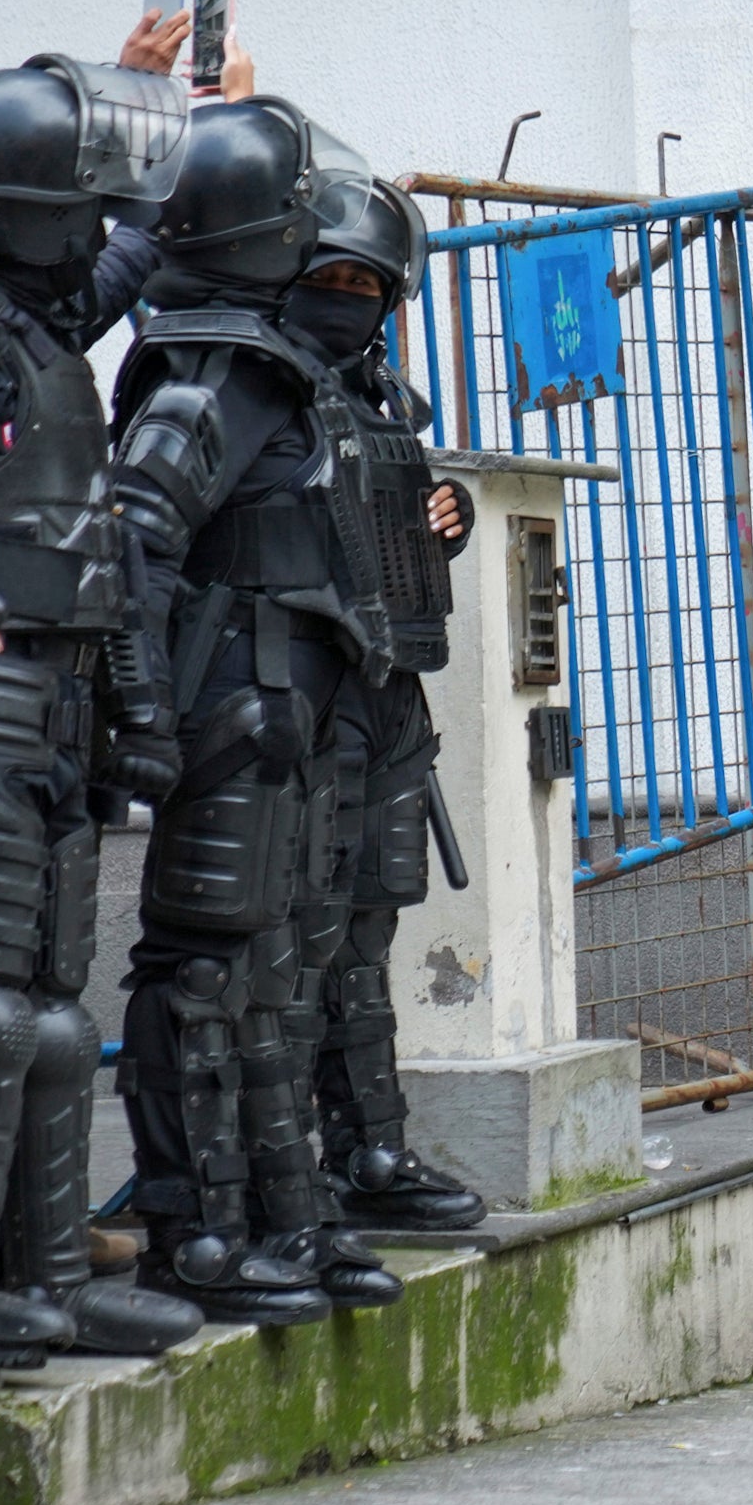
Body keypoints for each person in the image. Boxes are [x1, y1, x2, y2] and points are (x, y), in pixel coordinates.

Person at [111, 89, 417, 1326]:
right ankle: (197, 1229)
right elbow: (138, 536)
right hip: (233, 705)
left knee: (283, 973)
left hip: (305, 704)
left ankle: (293, 1217)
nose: (348, 291)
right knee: (204, 973)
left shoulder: (298, 380)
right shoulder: (218, 371)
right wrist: (138, 706)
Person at [0, 50, 202, 1364]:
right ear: (27, 208)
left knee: (52, 1010)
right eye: (76, 202)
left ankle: (45, 1273)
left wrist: (188, 101)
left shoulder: (30, 336)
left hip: (56, 699)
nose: (96, 225)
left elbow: (131, 245)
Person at [294, 178, 483, 1237]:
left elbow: (402, 528)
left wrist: (440, 521)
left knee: (364, 937)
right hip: (299, 697)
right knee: (296, 940)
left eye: (367, 283)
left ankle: (372, 1150)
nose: (349, 298)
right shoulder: (252, 388)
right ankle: (286, 1175)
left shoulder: (384, 398)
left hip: (387, 698)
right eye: (331, 278)